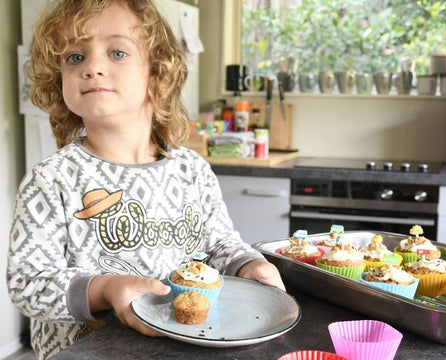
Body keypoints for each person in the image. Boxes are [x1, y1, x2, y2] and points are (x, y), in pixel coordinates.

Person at [6, 1, 285, 359]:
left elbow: (219, 246)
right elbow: (27, 284)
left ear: (158, 73)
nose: (92, 67)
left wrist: (248, 264)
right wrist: (105, 289)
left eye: (117, 52)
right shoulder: (52, 179)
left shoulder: (192, 170)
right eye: (75, 57)